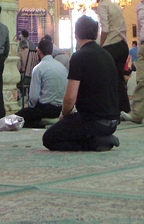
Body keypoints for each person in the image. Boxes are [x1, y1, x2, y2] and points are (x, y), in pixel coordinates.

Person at [42, 16, 120, 152]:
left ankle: (97, 142)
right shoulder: (107, 56)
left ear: (75, 34)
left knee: (49, 138)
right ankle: (100, 138)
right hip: (113, 122)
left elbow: (70, 97)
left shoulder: (79, 56)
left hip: (93, 122)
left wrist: (65, 114)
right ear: (96, 34)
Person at [93, 0, 130, 113]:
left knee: (106, 78)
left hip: (111, 46)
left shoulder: (102, 5)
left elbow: (105, 28)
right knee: (119, 79)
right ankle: (124, 108)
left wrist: (101, 47)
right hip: (123, 45)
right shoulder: (116, 6)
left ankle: (110, 108)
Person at [15, 38, 68, 128]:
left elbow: (34, 98)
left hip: (45, 109)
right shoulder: (62, 67)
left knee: (17, 119)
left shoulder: (38, 68)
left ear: (39, 51)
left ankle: (42, 122)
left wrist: (29, 107)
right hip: (60, 109)